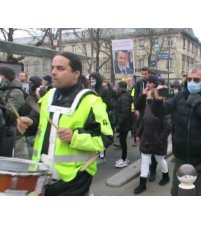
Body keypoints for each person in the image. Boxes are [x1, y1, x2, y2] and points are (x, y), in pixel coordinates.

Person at [16, 51, 113, 196]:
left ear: (76, 74)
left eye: (60, 68)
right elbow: (38, 124)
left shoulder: (92, 101)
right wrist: (28, 123)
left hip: (75, 179)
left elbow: (106, 138)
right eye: (53, 67)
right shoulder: (48, 96)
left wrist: (74, 137)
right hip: (40, 175)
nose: (54, 72)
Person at [151, 64, 201, 196]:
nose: (191, 83)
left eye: (196, 80)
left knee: (197, 194)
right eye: (189, 79)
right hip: (181, 157)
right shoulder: (180, 96)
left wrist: (198, 104)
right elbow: (160, 111)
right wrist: (157, 101)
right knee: (176, 193)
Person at [134, 84, 172, 194]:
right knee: (145, 162)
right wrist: (138, 134)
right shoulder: (147, 107)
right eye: (148, 96)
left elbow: (168, 126)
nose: (148, 98)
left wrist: (160, 139)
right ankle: (142, 184)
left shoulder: (164, 109)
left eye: (150, 96)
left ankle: (166, 176)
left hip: (158, 141)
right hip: (146, 140)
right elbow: (143, 122)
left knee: (160, 160)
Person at [0, 66, 25, 158]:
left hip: (12, 134)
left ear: (6, 77)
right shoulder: (2, 89)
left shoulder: (16, 92)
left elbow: (11, 113)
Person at [114, 81, 133, 168]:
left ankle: (124, 159)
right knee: (122, 141)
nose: (116, 88)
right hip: (125, 123)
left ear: (120, 87)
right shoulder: (123, 96)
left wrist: (118, 125)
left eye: (117, 86)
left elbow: (124, 113)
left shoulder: (124, 98)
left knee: (123, 141)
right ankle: (123, 158)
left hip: (124, 124)